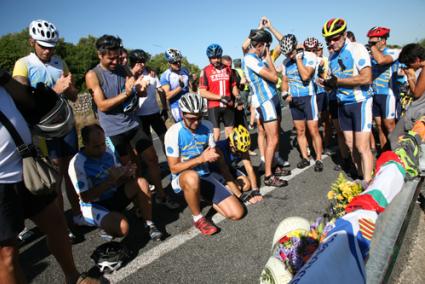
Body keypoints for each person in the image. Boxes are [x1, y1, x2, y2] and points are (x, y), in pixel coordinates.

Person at [0, 75, 98, 284]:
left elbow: (29, 101)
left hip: (27, 167)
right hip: (1, 180)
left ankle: (73, 277)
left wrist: (6, 79)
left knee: (56, 223)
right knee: (7, 253)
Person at [85, 35, 179, 210]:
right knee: (129, 169)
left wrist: (139, 90)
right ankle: (139, 204)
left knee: (151, 158)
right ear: (100, 55)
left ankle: (161, 195)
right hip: (113, 130)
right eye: (110, 58)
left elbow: (136, 93)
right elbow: (102, 106)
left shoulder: (124, 68)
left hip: (132, 124)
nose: (115, 61)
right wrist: (127, 94)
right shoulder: (93, 75)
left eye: (117, 56)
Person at [12, 19, 86, 241]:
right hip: (41, 131)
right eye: (43, 45)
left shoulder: (59, 61)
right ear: (32, 42)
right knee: (53, 178)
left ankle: (78, 214)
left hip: (66, 126)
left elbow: (72, 95)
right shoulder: (23, 64)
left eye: (51, 46)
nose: (47, 50)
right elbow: (23, 101)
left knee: (71, 171)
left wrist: (70, 87)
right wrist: (55, 89)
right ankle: (61, 223)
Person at [164, 93, 244, 235]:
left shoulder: (206, 126)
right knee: (192, 177)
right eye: (191, 119)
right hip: (184, 177)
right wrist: (200, 159)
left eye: (199, 117)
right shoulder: (173, 132)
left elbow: (213, 152)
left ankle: (202, 195)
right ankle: (198, 218)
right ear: (182, 114)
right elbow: (174, 168)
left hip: (205, 174)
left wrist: (226, 173)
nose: (196, 122)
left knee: (237, 213)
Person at [68, 124, 162, 241]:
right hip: (95, 204)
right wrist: (111, 180)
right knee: (123, 228)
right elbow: (85, 197)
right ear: (85, 144)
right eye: (96, 146)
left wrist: (126, 174)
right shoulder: (77, 163)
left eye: (103, 144)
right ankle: (105, 225)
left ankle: (149, 223)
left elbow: (119, 178)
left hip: (113, 194)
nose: (102, 148)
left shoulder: (107, 151)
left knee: (141, 182)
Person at [321, 18, 374, 183]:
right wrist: (327, 85)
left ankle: (368, 182)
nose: (332, 42)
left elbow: (366, 78)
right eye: (328, 40)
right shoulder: (331, 57)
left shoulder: (356, 49)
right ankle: (360, 176)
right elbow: (334, 83)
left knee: (362, 147)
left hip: (360, 102)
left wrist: (337, 82)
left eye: (335, 38)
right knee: (351, 146)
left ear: (344, 34)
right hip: (342, 104)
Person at [279, 34, 324, 171]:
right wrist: (285, 93)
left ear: (295, 47)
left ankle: (318, 159)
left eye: (291, 52)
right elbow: (285, 81)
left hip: (308, 97)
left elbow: (305, 76)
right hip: (294, 100)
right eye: (287, 54)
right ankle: (305, 157)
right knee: (300, 131)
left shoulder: (309, 57)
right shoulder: (286, 62)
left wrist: (298, 59)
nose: (290, 56)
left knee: (313, 130)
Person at [211, 125, 263, 204]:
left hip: (228, 167)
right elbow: (226, 174)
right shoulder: (219, 149)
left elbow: (249, 167)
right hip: (215, 171)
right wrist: (241, 195)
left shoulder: (241, 146)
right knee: (234, 190)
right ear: (231, 144)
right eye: (239, 151)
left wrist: (255, 190)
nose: (241, 153)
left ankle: (230, 187)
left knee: (247, 185)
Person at [128, 50, 168, 150]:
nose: (142, 64)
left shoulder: (151, 73)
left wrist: (165, 107)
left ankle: (171, 163)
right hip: (139, 116)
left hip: (155, 113)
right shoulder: (128, 75)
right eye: (139, 62)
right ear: (133, 62)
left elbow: (160, 90)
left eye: (144, 62)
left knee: (166, 140)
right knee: (147, 146)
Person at [367, 26, 399, 151]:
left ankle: (398, 154)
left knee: (390, 126)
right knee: (379, 126)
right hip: (375, 94)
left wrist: (372, 48)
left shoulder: (393, 51)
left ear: (383, 40)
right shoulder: (371, 54)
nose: (371, 45)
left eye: (373, 42)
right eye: (370, 42)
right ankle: (385, 154)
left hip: (388, 94)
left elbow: (381, 60)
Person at [199, 45, 239, 141]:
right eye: (213, 58)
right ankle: (216, 155)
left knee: (230, 133)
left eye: (218, 57)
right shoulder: (205, 71)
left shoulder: (228, 69)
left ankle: (231, 154)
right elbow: (202, 92)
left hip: (228, 105)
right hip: (213, 106)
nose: (216, 60)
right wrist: (220, 97)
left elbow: (233, 86)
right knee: (215, 135)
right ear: (209, 58)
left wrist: (237, 96)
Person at [160, 48, 190, 122]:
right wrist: (181, 87)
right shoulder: (165, 75)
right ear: (169, 62)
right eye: (175, 62)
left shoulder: (185, 70)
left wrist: (194, 82)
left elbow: (191, 88)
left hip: (189, 104)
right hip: (177, 107)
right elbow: (168, 96)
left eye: (179, 61)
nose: (178, 63)